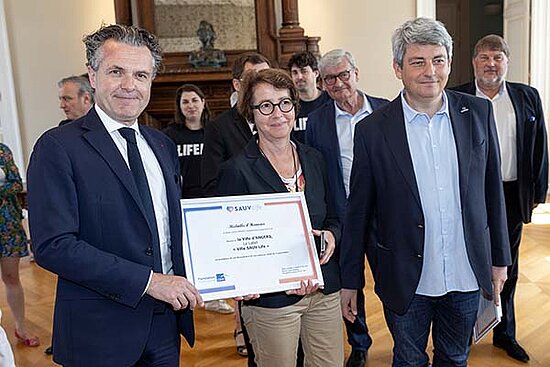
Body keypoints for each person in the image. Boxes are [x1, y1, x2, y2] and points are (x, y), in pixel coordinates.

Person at [27, 24, 203, 366]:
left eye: (140, 74)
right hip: (100, 334)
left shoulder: (162, 145)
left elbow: (170, 232)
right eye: (116, 72)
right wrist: (149, 282)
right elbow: (53, 246)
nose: (129, 85)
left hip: (166, 327)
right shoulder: (58, 147)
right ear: (93, 76)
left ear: (151, 81)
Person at [340, 17, 512, 366]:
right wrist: (350, 281)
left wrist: (500, 259)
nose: (430, 71)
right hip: (404, 278)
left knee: (455, 357)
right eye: (418, 62)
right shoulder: (373, 130)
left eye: (438, 60)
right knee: (408, 359)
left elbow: (493, 192)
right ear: (397, 68)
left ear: (449, 63)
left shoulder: (478, 112)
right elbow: (358, 211)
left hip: (466, 273)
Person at [217, 68, 344, 367]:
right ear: (252, 114)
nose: (277, 114)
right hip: (271, 301)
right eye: (265, 106)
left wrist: (331, 236)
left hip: (323, 290)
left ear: (294, 107)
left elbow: (336, 217)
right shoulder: (237, 171)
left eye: (284, 103)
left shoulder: (314, 159)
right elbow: (229, 242)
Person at [452, 34, 548, 363]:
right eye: (484, 58)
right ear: (474, 62)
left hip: (510, 195)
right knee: (467, 266)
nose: (491, 64)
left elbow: (540, 149)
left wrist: (536, 193)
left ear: (507, 61)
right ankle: (462, 333)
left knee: (507, 267)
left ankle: (505, 333)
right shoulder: (456, 97)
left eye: (497, 57)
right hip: (468, 198)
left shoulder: (527, 97)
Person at [305, 48, 389, 367]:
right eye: (330, 79)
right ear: (323, 84)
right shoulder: (317, 121)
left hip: (384, 216)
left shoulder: (385, 110)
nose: (339, 84)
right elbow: (315, 169)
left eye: (344, 75)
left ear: (356, 73)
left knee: (390, 279)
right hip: (343, 217)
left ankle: (404, 335)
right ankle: (359, 342)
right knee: (349, 283)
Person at [201, 51, 270, 361]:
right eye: (255, 78)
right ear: (237, 84)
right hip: (242, 224)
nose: (263, 85)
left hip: (278, 221)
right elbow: (211, 183)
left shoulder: (279, 115)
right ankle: (245, 332)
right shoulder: (219, 127)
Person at [163, 84, 234, 314]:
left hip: (211, 200)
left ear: (203, 102)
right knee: (185, 252)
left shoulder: (214, 132)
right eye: (185, 102)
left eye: (194, 100)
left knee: (214, 250)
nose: (190, 106)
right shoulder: (170, 135)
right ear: (179, 107)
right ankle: (186, 295)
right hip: (183, 202)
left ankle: (215, 296)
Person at [0, 143, 40, 348]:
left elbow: (16, 184)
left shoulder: (3, 151)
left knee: (11, 277)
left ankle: (20, 326)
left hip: (7, 226)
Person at [287, 51, 331, 143]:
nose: (299, 77)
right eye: (295, 72)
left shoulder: (330, 100)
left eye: (304, 71)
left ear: (316, 73)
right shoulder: (287, 106)